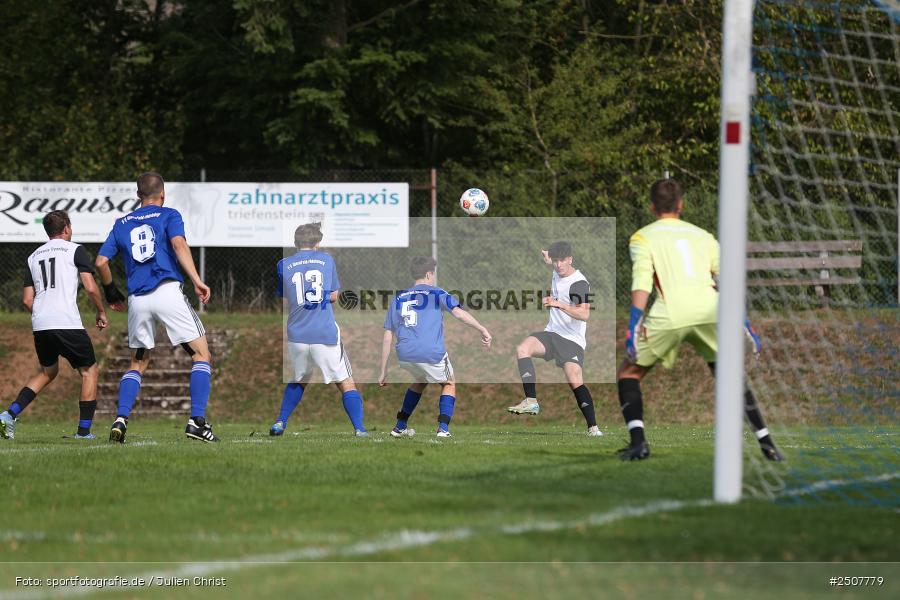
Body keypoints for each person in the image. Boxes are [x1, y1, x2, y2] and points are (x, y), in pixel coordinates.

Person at [617, 178, 783, 461]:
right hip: (711, 309)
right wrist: (746, 324)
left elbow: (642, 283)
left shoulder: (643, 237)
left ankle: (638, 444)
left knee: (628, 374)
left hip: (672, 311)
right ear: (681, 204)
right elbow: (727, 281)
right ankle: (767, 444)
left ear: (651, 206)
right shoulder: (703, 236)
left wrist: (633, 325)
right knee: (730, 378)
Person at [95, 172, 217, 443]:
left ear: (138, 196)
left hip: (138, 300)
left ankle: (120, 419)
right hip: (167, 292)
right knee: (201, 354)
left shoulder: (121, 223)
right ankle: (197, 422)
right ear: (162, 194)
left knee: (138, 362)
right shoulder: (169, 214)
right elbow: (178, 243)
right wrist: (197, 280)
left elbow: (101, 261)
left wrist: (112, 292)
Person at [0, 211, 108, 440]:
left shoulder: (33, 256)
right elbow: (89, 287)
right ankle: (84, 432)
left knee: (48, 372)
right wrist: (100, 311)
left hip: (40, 323)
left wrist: (43, 314)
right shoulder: (75, 250)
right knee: (89, 371)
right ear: (67, 228)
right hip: (66, 321)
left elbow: (27, 300)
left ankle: (8, 415)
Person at [269, 222, 368, 437]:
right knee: (346, 382)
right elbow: (333, 295)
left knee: (299, 379)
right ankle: (360, 429)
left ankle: (280, 422)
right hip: (324, 331)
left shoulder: (282, 264)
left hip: (297, 333)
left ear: (295, 243)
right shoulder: (326, 259)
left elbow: (287, 298)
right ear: (318, 243)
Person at [379, 256, 492, 438]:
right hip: (430, 352)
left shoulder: (399, 297)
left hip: (405, 354)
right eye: (433, 273)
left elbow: (387, 335)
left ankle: (400, 427)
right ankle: (443, 429)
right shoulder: (437, 293)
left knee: (420, 380)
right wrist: (482, 328)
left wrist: (383, 370)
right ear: (428, 274)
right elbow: (459, 314)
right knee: (449, 382)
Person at [508, 242, 602, 437]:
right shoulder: (556, 268)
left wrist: (558, 304)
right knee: (522, 349)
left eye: (562, 261)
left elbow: (584, 314)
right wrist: (547, 256)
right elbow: (550, 260)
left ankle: (593, 427)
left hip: (571, 340)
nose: (558, 265)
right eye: (555, 261)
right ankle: (531, 401)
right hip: (552, 334)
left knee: (574, 379)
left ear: (570, 259)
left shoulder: (578, 283)